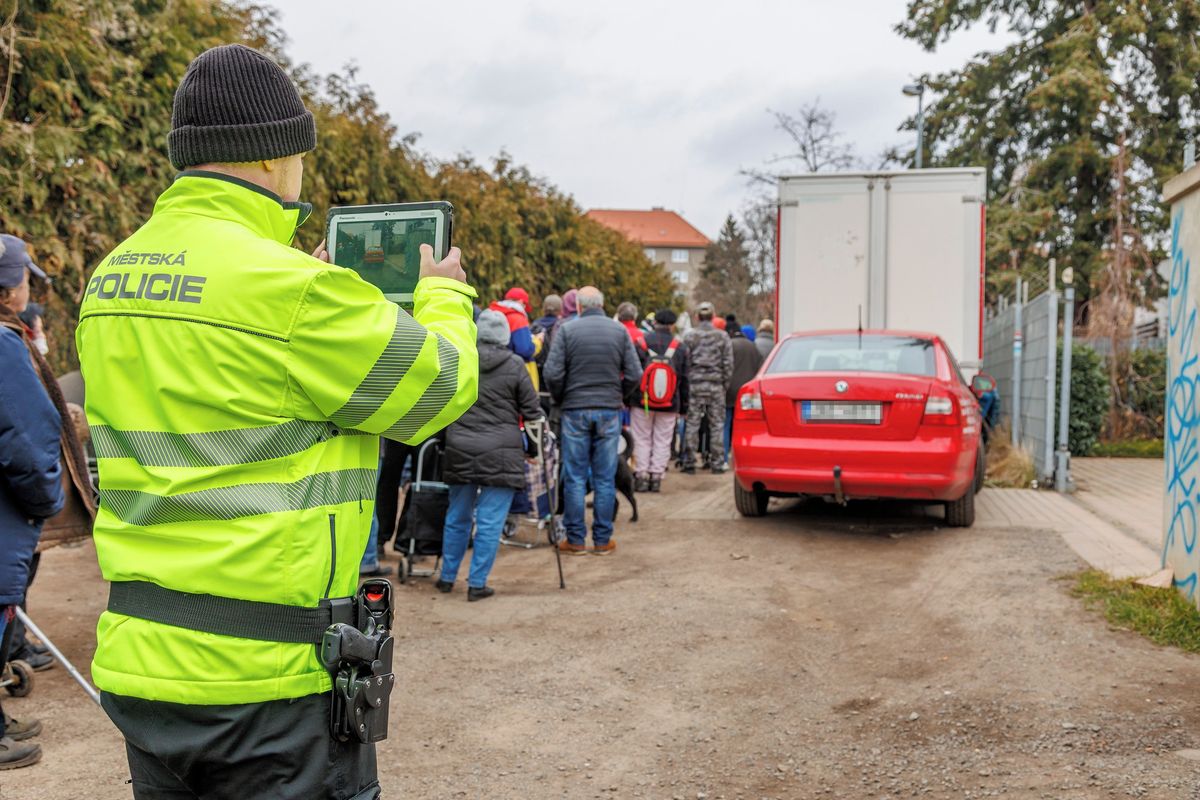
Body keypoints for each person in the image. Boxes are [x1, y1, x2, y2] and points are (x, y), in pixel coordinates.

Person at [76, 44, 478, 799]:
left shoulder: (113, 276)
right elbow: (440, 389)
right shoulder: (295, 296)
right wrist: (444, 297)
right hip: (265, 683)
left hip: (144, 662)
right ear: (276, 159)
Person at [0, 235, 63, 770]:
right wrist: (47, 500)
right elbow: (28, 436)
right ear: (6, 292)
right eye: (22, 278)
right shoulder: (3, 345)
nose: (27, 287)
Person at [437, 311, 543, 600]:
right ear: (505, 336)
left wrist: (442, 441)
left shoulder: (460, 358)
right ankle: (477, 583)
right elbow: (532, 413)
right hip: (503, 452)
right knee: (490, 521)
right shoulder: (515, 364)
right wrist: (533, 450)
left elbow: (441, 401)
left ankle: (447, 577)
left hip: (460, 447)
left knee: (457, 515)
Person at [543, 286, 642, 555]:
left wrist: (562, 397)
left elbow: (552, 373)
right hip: (609, 411)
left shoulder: (567, 330)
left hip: (575, 410)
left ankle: (575, 539)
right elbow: (635, 373)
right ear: (602, 304)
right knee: (605, 477)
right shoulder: (619, 331)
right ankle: (602, 539)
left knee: (574, 476)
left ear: (579, 307)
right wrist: (618, 395)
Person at [631, 309, 689, 493]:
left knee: (641, 437)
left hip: (642, 401)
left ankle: (641, 475)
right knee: (663, 440)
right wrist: (684, 406)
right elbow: (685, 379)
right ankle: (656, 477)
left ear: (654, 322)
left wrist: (629, 398)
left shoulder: (640, 343)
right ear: (672, 325)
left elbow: (632, 373)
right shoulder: (680, 347)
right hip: (671, 402)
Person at [682, 301, 732, 474]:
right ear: (713, 316)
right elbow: (728, 363)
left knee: (692, 423)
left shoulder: (689, 336)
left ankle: (689, 461)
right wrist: (724, 384)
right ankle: (717, 462)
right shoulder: (722, 336)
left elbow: (685, 363)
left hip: (695, 385)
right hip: (715, 385)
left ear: (697, 317)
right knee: (717, 424)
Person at [724, 314, 764, 464]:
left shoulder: (729, 345)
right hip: (748, 394)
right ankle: (745, 457)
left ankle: (724, 457)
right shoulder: (753, 347)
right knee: (745, 426)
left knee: (725, 424)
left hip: (728, 390)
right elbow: (760, 368)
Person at [489, 287, 536, 363]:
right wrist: (536, 343)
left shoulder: (491, 313)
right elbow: (524, 350)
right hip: (512, 366)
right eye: (525, 306)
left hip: (491, 363)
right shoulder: (518, 319)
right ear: (521, 302)